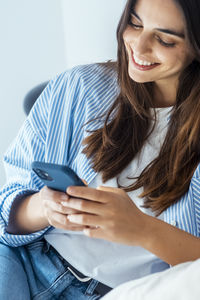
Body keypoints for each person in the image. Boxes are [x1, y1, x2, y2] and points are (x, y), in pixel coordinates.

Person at [0, 0, 200, 299]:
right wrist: (45, 208)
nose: (138, 46)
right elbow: (7, 207)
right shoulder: (78, 87)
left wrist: (143, 229)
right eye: (134, 23)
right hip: (24, 260)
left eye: (164, 40)